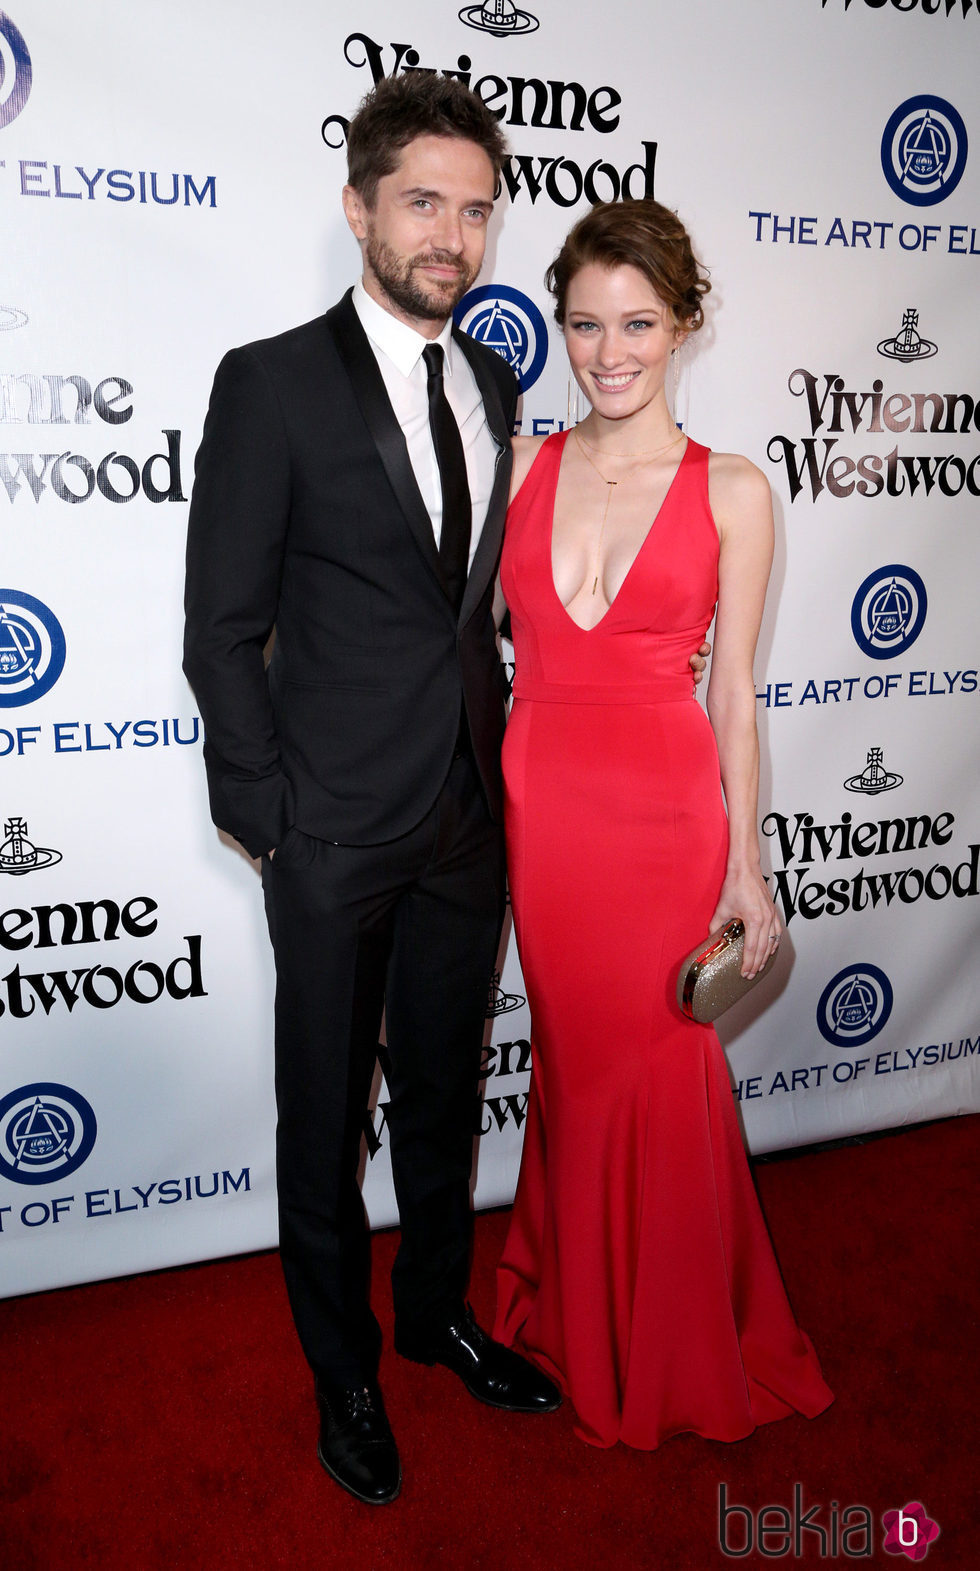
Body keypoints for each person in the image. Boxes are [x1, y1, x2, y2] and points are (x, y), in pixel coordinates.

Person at [182, 75, 563, 1507]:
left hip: (469, 810)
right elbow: (220, 624)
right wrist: (268, 812)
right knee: (323, 1109)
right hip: (333, 822)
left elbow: (466, 606)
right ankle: (341, 1361)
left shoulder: (498, 379)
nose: (452, 235)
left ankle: (434, 1312)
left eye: (475, 208)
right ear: (359, 207)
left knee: (449, 1092)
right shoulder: (269, 380)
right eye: (423, 202)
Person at [493, 200, 834, 1449]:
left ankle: (671, 1337)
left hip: (665, 815)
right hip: (547, 816)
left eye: (636, 321)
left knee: (659, 1065)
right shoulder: (520, 466)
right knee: (584, 1071)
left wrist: (745, 864)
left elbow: (733, 693)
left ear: (683, 325)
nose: (607, 350)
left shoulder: (735, 489)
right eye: (583, 323)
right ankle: (578, 1303)